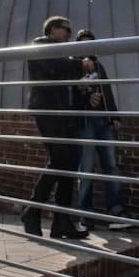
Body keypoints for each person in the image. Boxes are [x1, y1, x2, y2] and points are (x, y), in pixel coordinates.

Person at [20, 16, 92, 240]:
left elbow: (65, 74)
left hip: (62, 113)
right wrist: (80, 64)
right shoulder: (41, 46)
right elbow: (53, 67)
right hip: (49, 111)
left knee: (68, 163)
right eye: (65, 29)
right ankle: (34, 211)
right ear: (52, 30)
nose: (69, 33)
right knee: (61, 161)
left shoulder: (62, 53)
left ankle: (60, 220)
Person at [73, 29, 129, 232]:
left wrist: (114, 117)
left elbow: (107, 92)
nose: (88, 48)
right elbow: (69, 96)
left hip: (103, 122)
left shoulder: (99, 66)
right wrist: (86, 100)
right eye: (84, 44)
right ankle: (85, 215)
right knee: (86, 168)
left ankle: (115, 211)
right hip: (86, 122)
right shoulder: (74, 66)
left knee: (111, 166)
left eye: (91, 44)